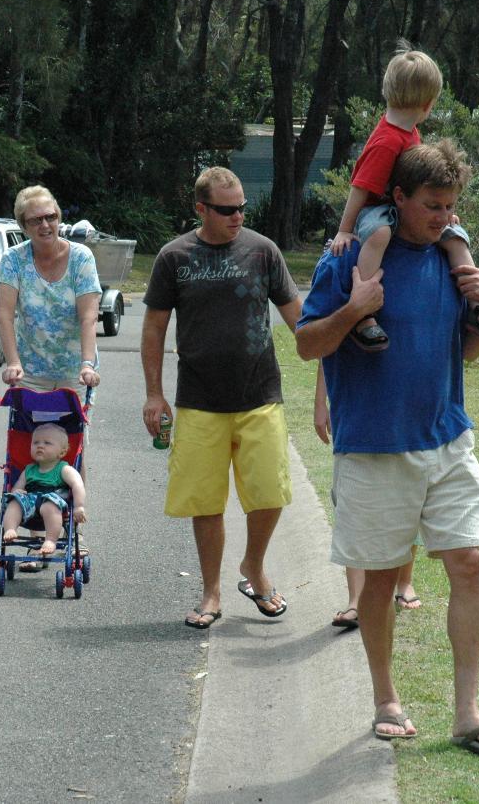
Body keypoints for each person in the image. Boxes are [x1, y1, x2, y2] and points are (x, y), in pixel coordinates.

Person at [296, 140, 479, 754]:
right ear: (397, 198)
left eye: (451, 206)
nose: (443, 217)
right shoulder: (349, 260)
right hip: (373, 447)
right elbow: (307, 345)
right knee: (377, 579)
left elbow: (466, 353)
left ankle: (468, 713)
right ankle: (384, 697)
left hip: (448, 440)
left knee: (469, 562)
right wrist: (353, 310)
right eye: (431, 206)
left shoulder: (454, 265)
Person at [141, 166, 304, 630]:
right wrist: (154, 394)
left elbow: (300, 320)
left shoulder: (263, 251)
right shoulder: (175, 257)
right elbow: (154, 328)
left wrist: (334, 349)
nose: (238, 217)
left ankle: (253, 566)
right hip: (198, 401)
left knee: (270, 492)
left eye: (242, 209)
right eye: (227, 210)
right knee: (205, 501)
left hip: (260, 396)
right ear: (201, 209)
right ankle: (211, 591)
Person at [328, 42, 479, 352]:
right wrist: (345, 229)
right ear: (428, 103)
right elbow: (360, 187)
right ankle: (365, 313)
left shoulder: (410, 132)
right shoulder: (387, 140)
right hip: (378, 210)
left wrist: (441, 212)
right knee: (380, 232)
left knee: (456, 236)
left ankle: (478, 307)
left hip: (402, 207)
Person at [0, 185, 101, 568]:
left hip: (75, 371)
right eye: (36, 219)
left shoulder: (81, 258)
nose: (46, 224)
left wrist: (87, 364)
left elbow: (89, 315)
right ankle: (39, 533)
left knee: (72, 447)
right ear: (23, 225)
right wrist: (12, 361)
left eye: (51, 216)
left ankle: (73, 531)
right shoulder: (14, 260)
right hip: (32, 370)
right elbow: (5, 314)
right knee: (33, 444)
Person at [313, 367, 421, 631]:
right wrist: (319, 402)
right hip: (353, 410)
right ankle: (356, 601)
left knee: (408, 500)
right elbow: (326, 347)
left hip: (406, 405)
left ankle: (404, 582)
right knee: (351, 510)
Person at [0, 423, 88, 555]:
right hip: (30, 504)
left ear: (62, 452)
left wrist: (79, 506)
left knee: (49, 506)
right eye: (35, 443)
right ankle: (10, 529)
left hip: (53, 502)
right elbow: (18, 486)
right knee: (14, 502)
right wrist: (16, 492)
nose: (40, 445)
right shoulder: (29, 470)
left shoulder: (64, 469)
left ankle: (51, 540)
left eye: (47, 443)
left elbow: (77, 484)